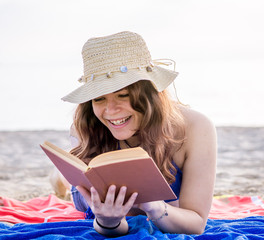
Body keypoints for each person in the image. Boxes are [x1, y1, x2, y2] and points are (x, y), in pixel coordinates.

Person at [54, 31, 217, 236]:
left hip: (165, 208)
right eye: (99, 98)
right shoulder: (88, 126)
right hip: (94, 207)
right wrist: (108, 221)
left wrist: (154, 206)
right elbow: (113, 227)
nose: (110, 111)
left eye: (123, 95)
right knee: (75, 190)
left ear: (150, 94)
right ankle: (61, 182)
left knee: (173, 203)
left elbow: (196, 224)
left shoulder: (195, 127)